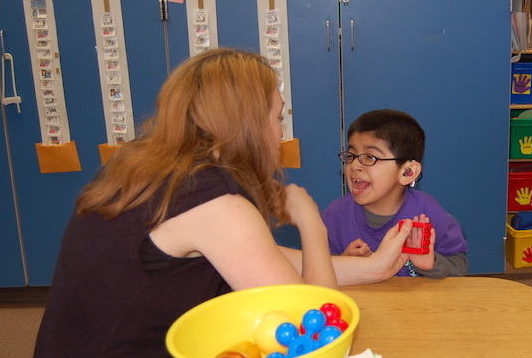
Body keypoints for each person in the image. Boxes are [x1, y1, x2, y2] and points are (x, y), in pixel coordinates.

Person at [33, 49, 416, 358]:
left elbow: (257, 256)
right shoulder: (214, 202)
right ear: (249, 122)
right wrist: (311, 224)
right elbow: (312, 331)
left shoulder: (146, 166)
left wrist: (372, 268)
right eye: (277, 116)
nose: (279, 132)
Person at [322, 109, 468, 278]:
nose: (355, 165)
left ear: (407, 172)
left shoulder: (430, 215)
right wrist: (344, 263)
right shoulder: (335, 216)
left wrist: (431, 263)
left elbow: (459, 267)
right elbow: (318, 272)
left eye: (370, 157)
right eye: (351, 155)